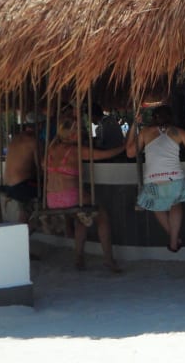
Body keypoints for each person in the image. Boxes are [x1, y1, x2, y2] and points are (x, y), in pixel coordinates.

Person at [45, 104, 124, 270]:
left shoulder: (51, 148)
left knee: (82, 218)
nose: (81, 132)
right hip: (70, 197)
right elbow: (104, 155)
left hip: (51, 199)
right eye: (78, 130)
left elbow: (42, 165)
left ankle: (78, 257)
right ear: (73, 135)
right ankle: (108, 259)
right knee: (101, 215)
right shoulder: (76, 150)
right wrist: (125, 147)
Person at [125, 104, 185, 252]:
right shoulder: (178, 132)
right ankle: (174, 241)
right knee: (176, 203)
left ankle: (173, 239)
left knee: (156, 205)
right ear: (171, 118)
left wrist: (133, 127)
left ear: (153, 118)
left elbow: (130, 153)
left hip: (153, 182)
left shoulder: (145, 132)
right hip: (175, 181)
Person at [1, 122, 41, 225]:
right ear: (40, 126)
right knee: (47, 189)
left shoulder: (14, 139)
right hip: (21, 186)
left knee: (25, 209)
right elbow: (40, 165)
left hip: (8, 185)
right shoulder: (33, 141)